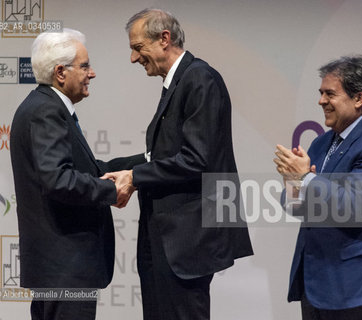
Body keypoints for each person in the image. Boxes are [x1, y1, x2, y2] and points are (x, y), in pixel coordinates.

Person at [101, 8, 253, 320]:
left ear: (164, 39)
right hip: (167, 236)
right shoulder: (179, 82)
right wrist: (108, 167)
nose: (133, 58)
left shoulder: (200, 79)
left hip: (187, 241)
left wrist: (136, 178)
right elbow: (162, 155)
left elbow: (196, 159)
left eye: (138, 48)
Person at [10, 28, 142, 320]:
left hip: (57, 270)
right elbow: (59, 180)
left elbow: (90, 170)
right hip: (65, 268)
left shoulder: (44, 106)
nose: (91, 73)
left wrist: (145, 162)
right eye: (84, 66)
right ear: (60, 72)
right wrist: (112, 191)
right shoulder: (46, 111)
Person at [274, 55, 362, 319]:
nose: (321, 100)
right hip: (316, 280)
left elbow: (356, 206)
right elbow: (301, 209)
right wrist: (292, 185)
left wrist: (306, 179)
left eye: (330, 93)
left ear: (358, 98)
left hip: (355, 284)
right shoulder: (321, 144)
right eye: (321, 93)